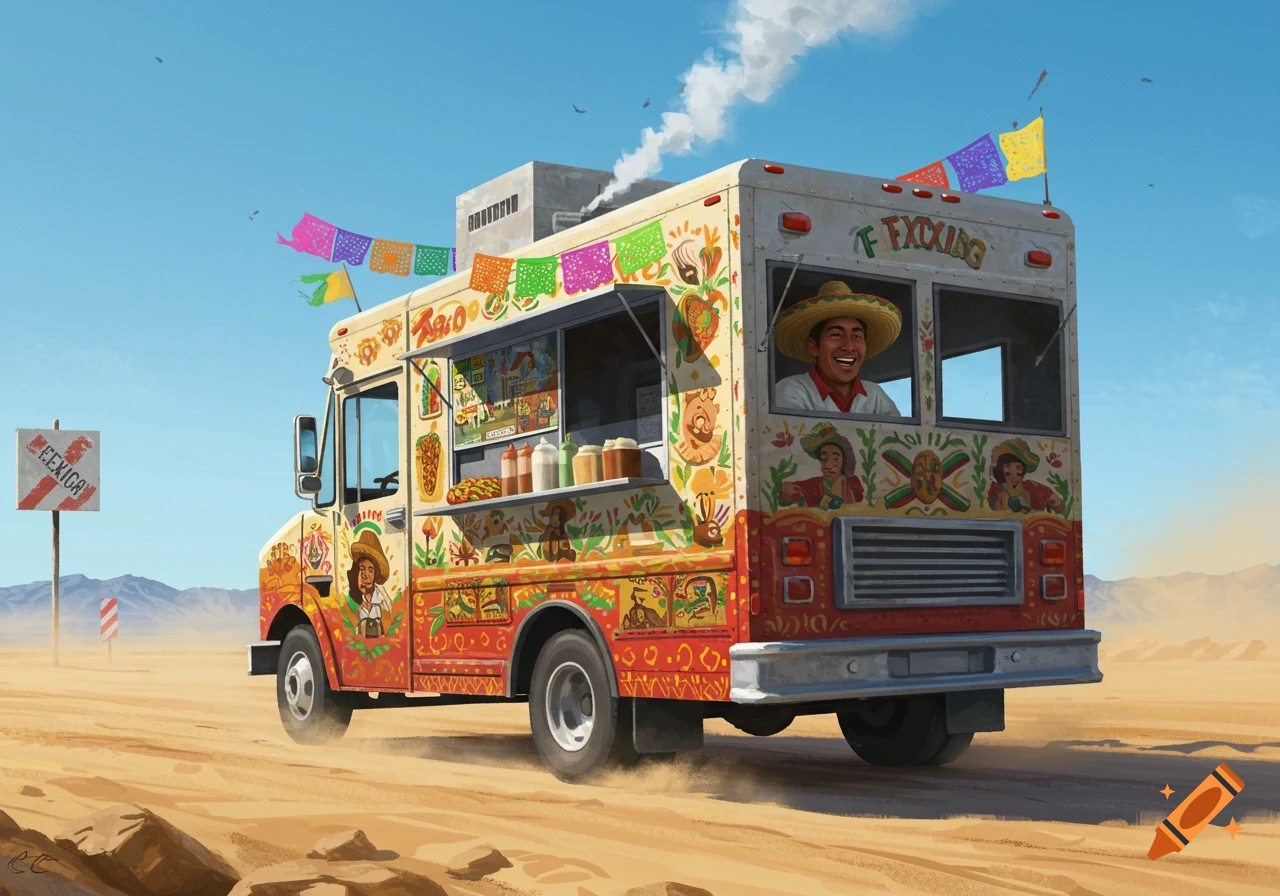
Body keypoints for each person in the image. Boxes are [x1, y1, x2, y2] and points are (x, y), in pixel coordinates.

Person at [774, 281, 903, 416]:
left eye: (857, 336)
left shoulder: (875, 395)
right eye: (836, 335)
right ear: (814, 346)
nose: (849, 347)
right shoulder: (792, 390)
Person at [779, 423, 865, 510]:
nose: (828, 465)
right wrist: (797, 496)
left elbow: (858, 507)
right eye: (824, 458)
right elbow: (788, 490)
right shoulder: (815, 484)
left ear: (844, 461)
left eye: (836, 459)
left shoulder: (851, 483)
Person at [987, 439, 1064, 514]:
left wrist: (1055, 503)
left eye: (1018, 468)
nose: (1013, 473)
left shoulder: (1033, 487)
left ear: (1023, 470)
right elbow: (992, 509)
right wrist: (1002, 499)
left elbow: (1058, 504)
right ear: (1001, 468)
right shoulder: (996, 487)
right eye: (1007, 466)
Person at [346, 530, 394, 638]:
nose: (366, 575)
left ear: (376, 574)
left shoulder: (383, 601)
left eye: (371, 570)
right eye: (362, 569)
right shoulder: (351, 602)